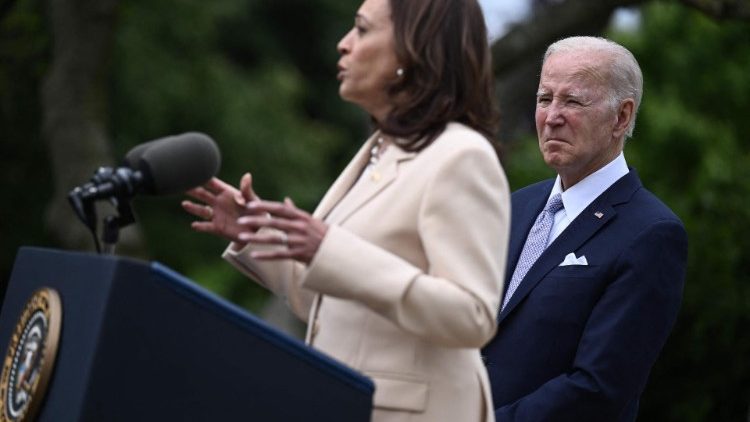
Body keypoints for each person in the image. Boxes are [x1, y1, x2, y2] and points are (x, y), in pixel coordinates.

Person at [182, 0, 510, 421]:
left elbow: (472, 315)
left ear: (414, 48)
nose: (344, 44)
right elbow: (330, 305)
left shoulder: (461, 156)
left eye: (361, 29)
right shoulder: (378, 151)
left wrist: (331, 250)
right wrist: (259, 235)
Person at [481, 36, 688, 421]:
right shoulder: (516, 206)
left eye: (573, 101)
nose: (552, 116)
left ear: (621, 117)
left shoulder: (652, 234)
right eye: (545, 99)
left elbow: (599, 388)